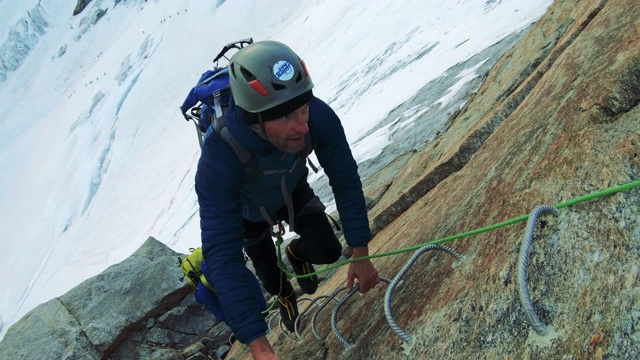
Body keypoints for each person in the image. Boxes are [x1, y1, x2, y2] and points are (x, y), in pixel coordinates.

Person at [195, 40, 380, 359]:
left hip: (290, 190)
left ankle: (298, 251)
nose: (302, 125)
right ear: (253, 118)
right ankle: (286, 303)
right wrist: (259, 347)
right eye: (284, 117)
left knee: (328, 250)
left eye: (303, 107)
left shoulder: (317, 116)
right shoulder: (220, 158)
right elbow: (222, 256)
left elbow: (345, 179)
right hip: (247, 216)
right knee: (273, 280)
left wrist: (361, 254)